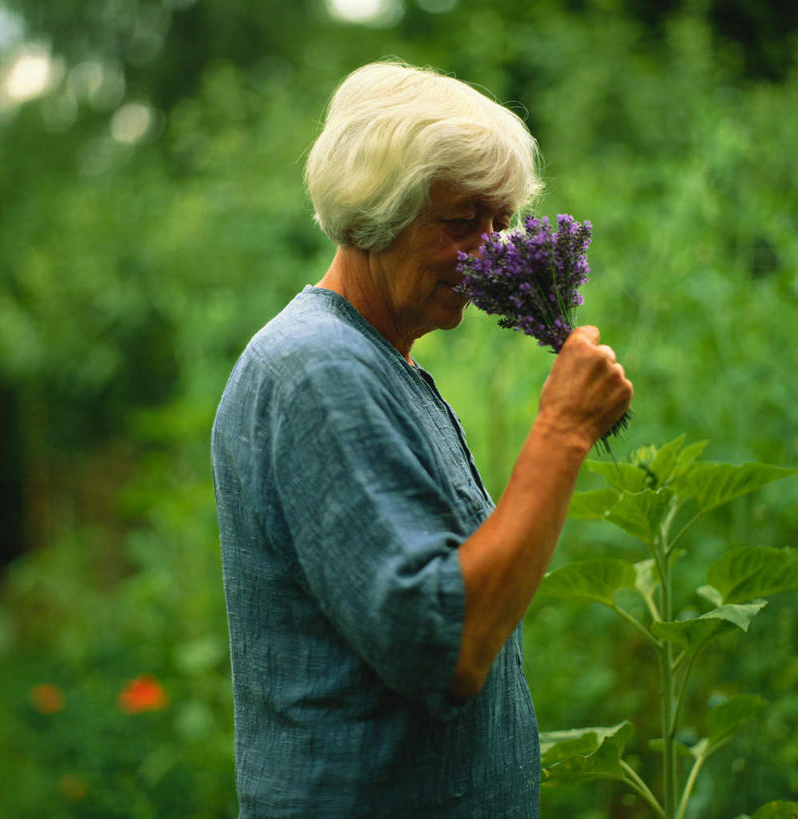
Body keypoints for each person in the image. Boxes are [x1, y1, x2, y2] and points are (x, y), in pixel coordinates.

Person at [211, 60, 632, 818]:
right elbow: (448, 646)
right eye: (459, 221)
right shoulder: (317, 370)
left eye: (501, 221)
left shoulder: (377, 362)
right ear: (376, 214)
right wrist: (561, 429)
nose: (492, 251)